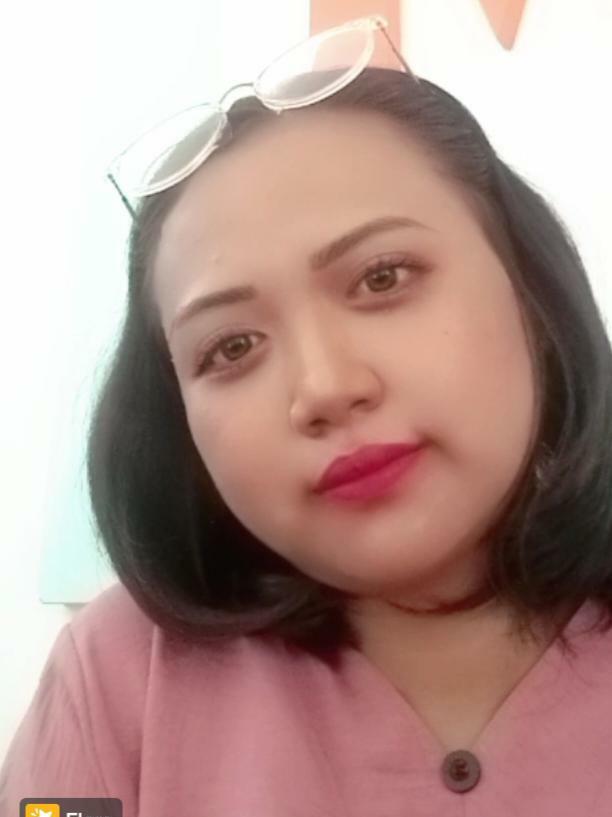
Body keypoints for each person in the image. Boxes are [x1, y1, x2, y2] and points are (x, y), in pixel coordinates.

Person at [2, 15, 612, 816]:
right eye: (231, 346)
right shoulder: (115, 673)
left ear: (528, 291)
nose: (324, 387)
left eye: (383, 277)